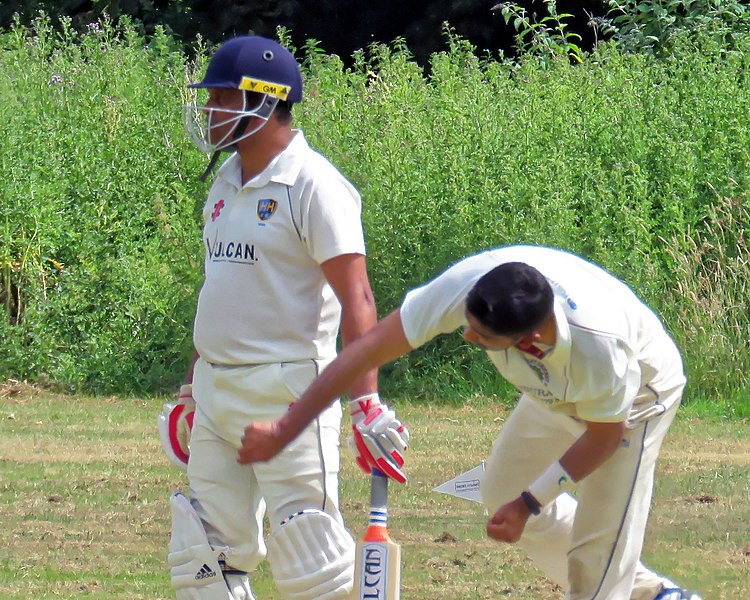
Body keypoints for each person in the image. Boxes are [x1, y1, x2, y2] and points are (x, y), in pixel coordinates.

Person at [238, 244, 702, 600]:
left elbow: (602, 438)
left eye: (482, 337)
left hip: (637, 400)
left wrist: (531, 502)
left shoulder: (601, 350)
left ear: (529, 340)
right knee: (500, 490)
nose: (467, 334)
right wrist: (284, 429)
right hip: (554, 390)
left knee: (596, 559)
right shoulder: (470, 286)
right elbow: (368, 347)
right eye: (470, 323)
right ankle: (655, 594)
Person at [159, 35, 408, 600]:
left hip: (290, 389)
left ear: (264, 101)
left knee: (310, 556)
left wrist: (365, 402)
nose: (209, 113)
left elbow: (358, 297)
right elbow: (220, 291)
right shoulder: (223, 184)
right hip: (217, 391)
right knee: (204, 555)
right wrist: (193, 387)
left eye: (221, 99)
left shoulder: (315, 184)